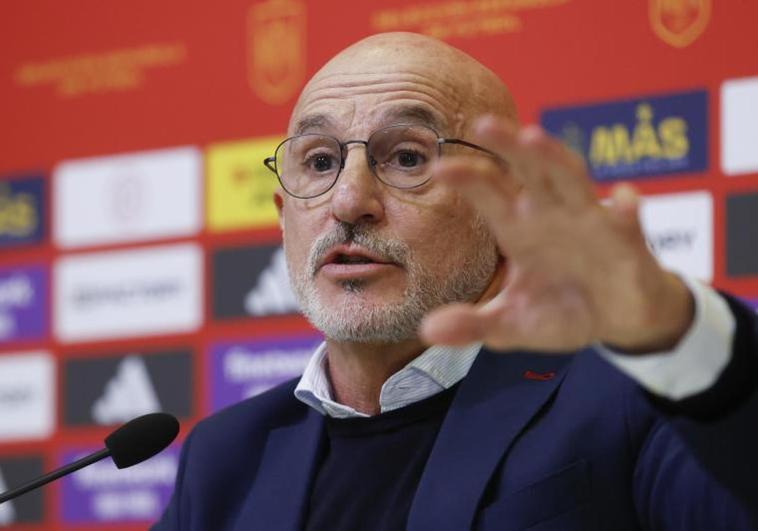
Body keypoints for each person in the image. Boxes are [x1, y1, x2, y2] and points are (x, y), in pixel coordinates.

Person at [153, 33, 758, 530]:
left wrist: (679, 333)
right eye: (319, 161)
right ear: (285, 217)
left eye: (408, 158)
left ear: (505, 206)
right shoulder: (226, 457)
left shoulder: (628, 399)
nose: (348, 200)